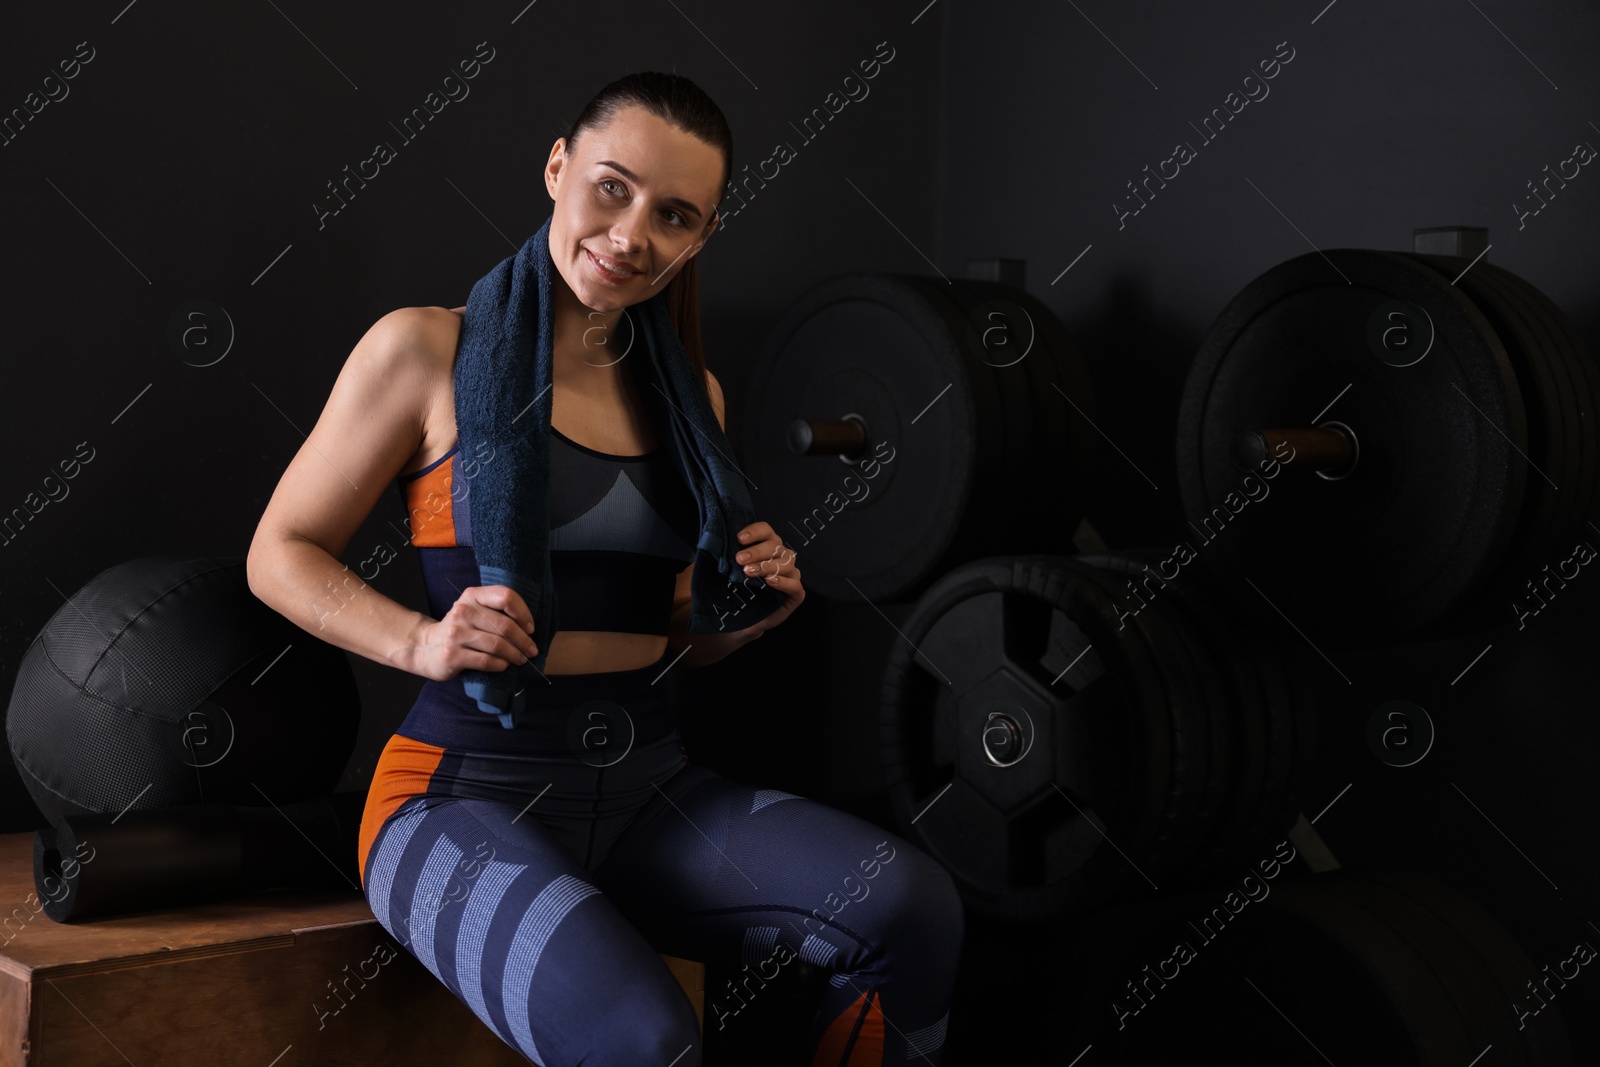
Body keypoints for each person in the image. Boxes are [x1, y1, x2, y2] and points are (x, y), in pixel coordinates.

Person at [247, 71, 963, 1066]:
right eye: (612, 188)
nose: (632, 235)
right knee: (646, 1039)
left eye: (674, 215)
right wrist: (418, 639)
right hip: (458, 795)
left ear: (702, 234)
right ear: (556, 169)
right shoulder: (425, 349)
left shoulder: (692, 397)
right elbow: (277, 551)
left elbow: (674, 635)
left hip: (648, 787)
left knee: (912, 905)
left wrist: (742, 615)